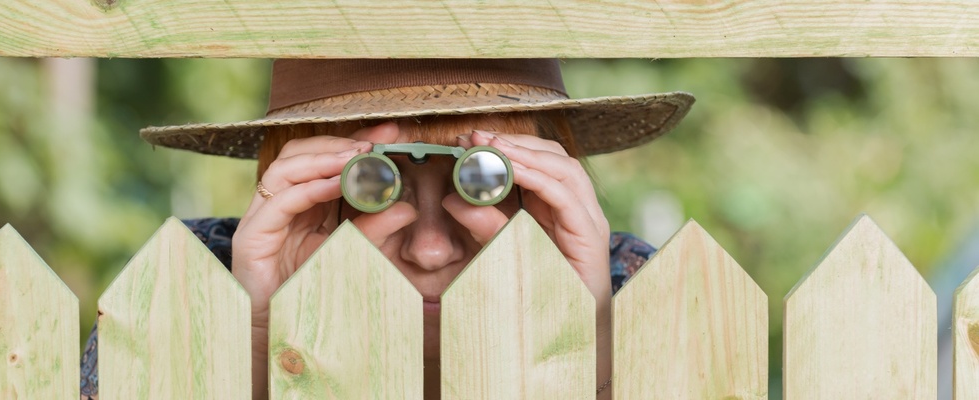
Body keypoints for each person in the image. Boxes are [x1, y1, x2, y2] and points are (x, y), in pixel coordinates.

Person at [79, 59, 693, 399]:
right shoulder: (184, 285)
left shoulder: (631, 286)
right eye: (370, 187)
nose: (429, 248)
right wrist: (259, 340)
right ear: (301, 182)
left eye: (481, 180)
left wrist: (589, 346)